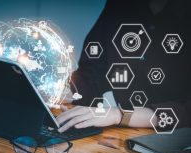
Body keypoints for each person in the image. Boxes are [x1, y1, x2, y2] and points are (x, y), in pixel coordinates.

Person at [57, 0, 191, 132]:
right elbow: (93, 70)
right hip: (124, 133)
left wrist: (120, 115)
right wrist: (63, 92)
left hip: (178, 140)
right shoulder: (119, 5)